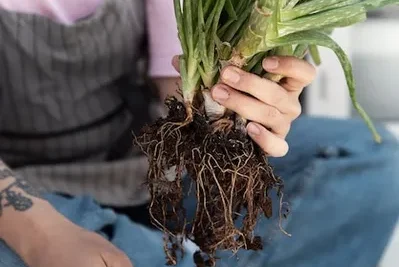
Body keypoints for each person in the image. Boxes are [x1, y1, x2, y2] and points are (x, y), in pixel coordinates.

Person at [0, 1, 398, 267]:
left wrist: (242, 104)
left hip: (141, 161)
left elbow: (177, 84)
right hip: (21, 188)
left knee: (371, 165)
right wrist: (39, 232)